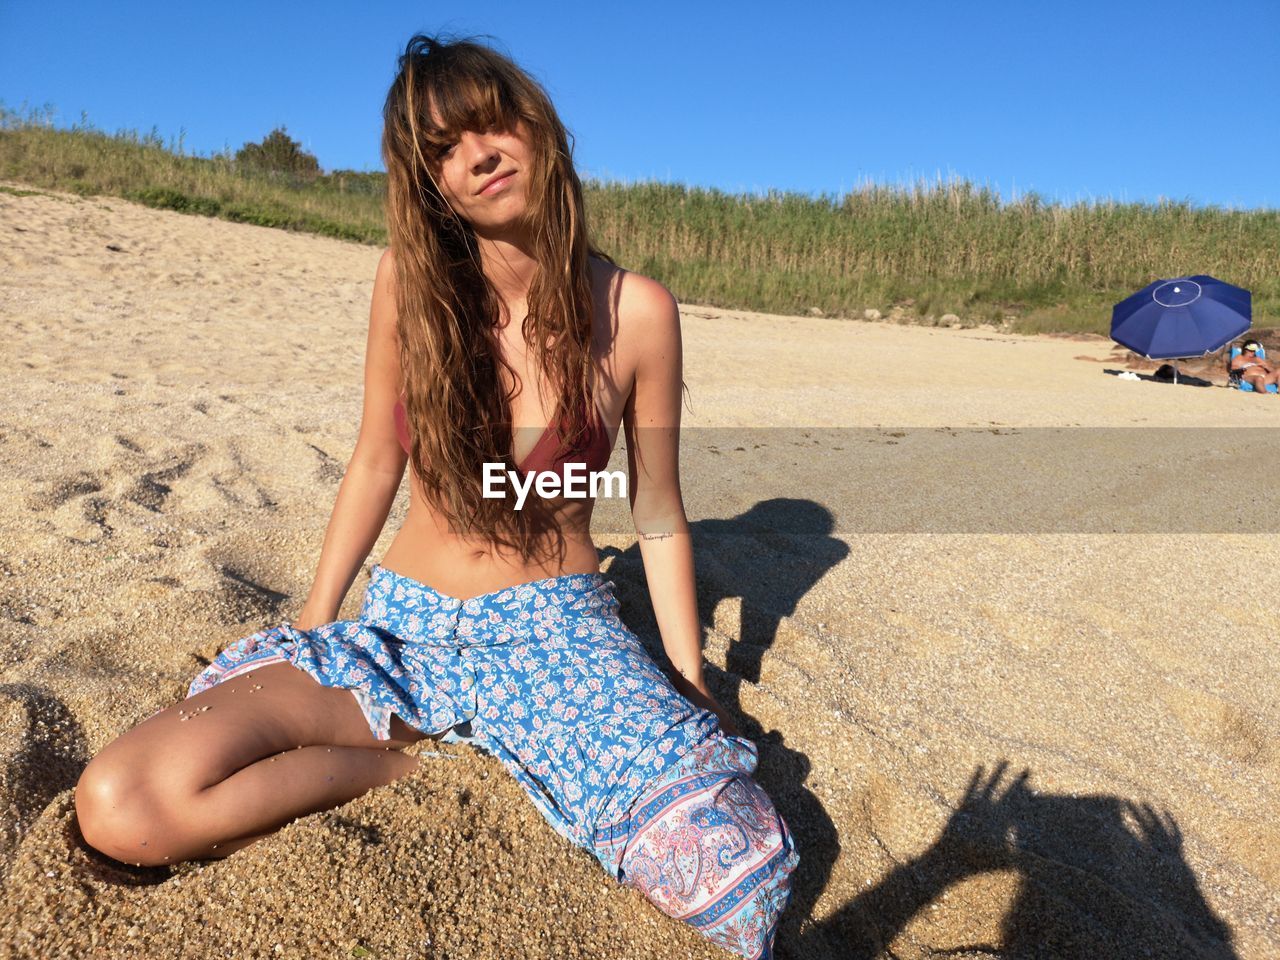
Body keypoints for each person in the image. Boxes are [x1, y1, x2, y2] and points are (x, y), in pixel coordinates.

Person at [73, 34, 798, 959]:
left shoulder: (639, 312)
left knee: (740, 881)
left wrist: (692, 679)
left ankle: (473, 748)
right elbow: (376, 459)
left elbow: (654, 507)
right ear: (434, 188)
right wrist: (313, 623)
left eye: (491, 124)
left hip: (557, 636)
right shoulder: (412, 288)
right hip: (404, 632)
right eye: (444, 151)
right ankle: (404, 766)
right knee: (122, 803)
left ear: (538, 128)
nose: (479, 155)